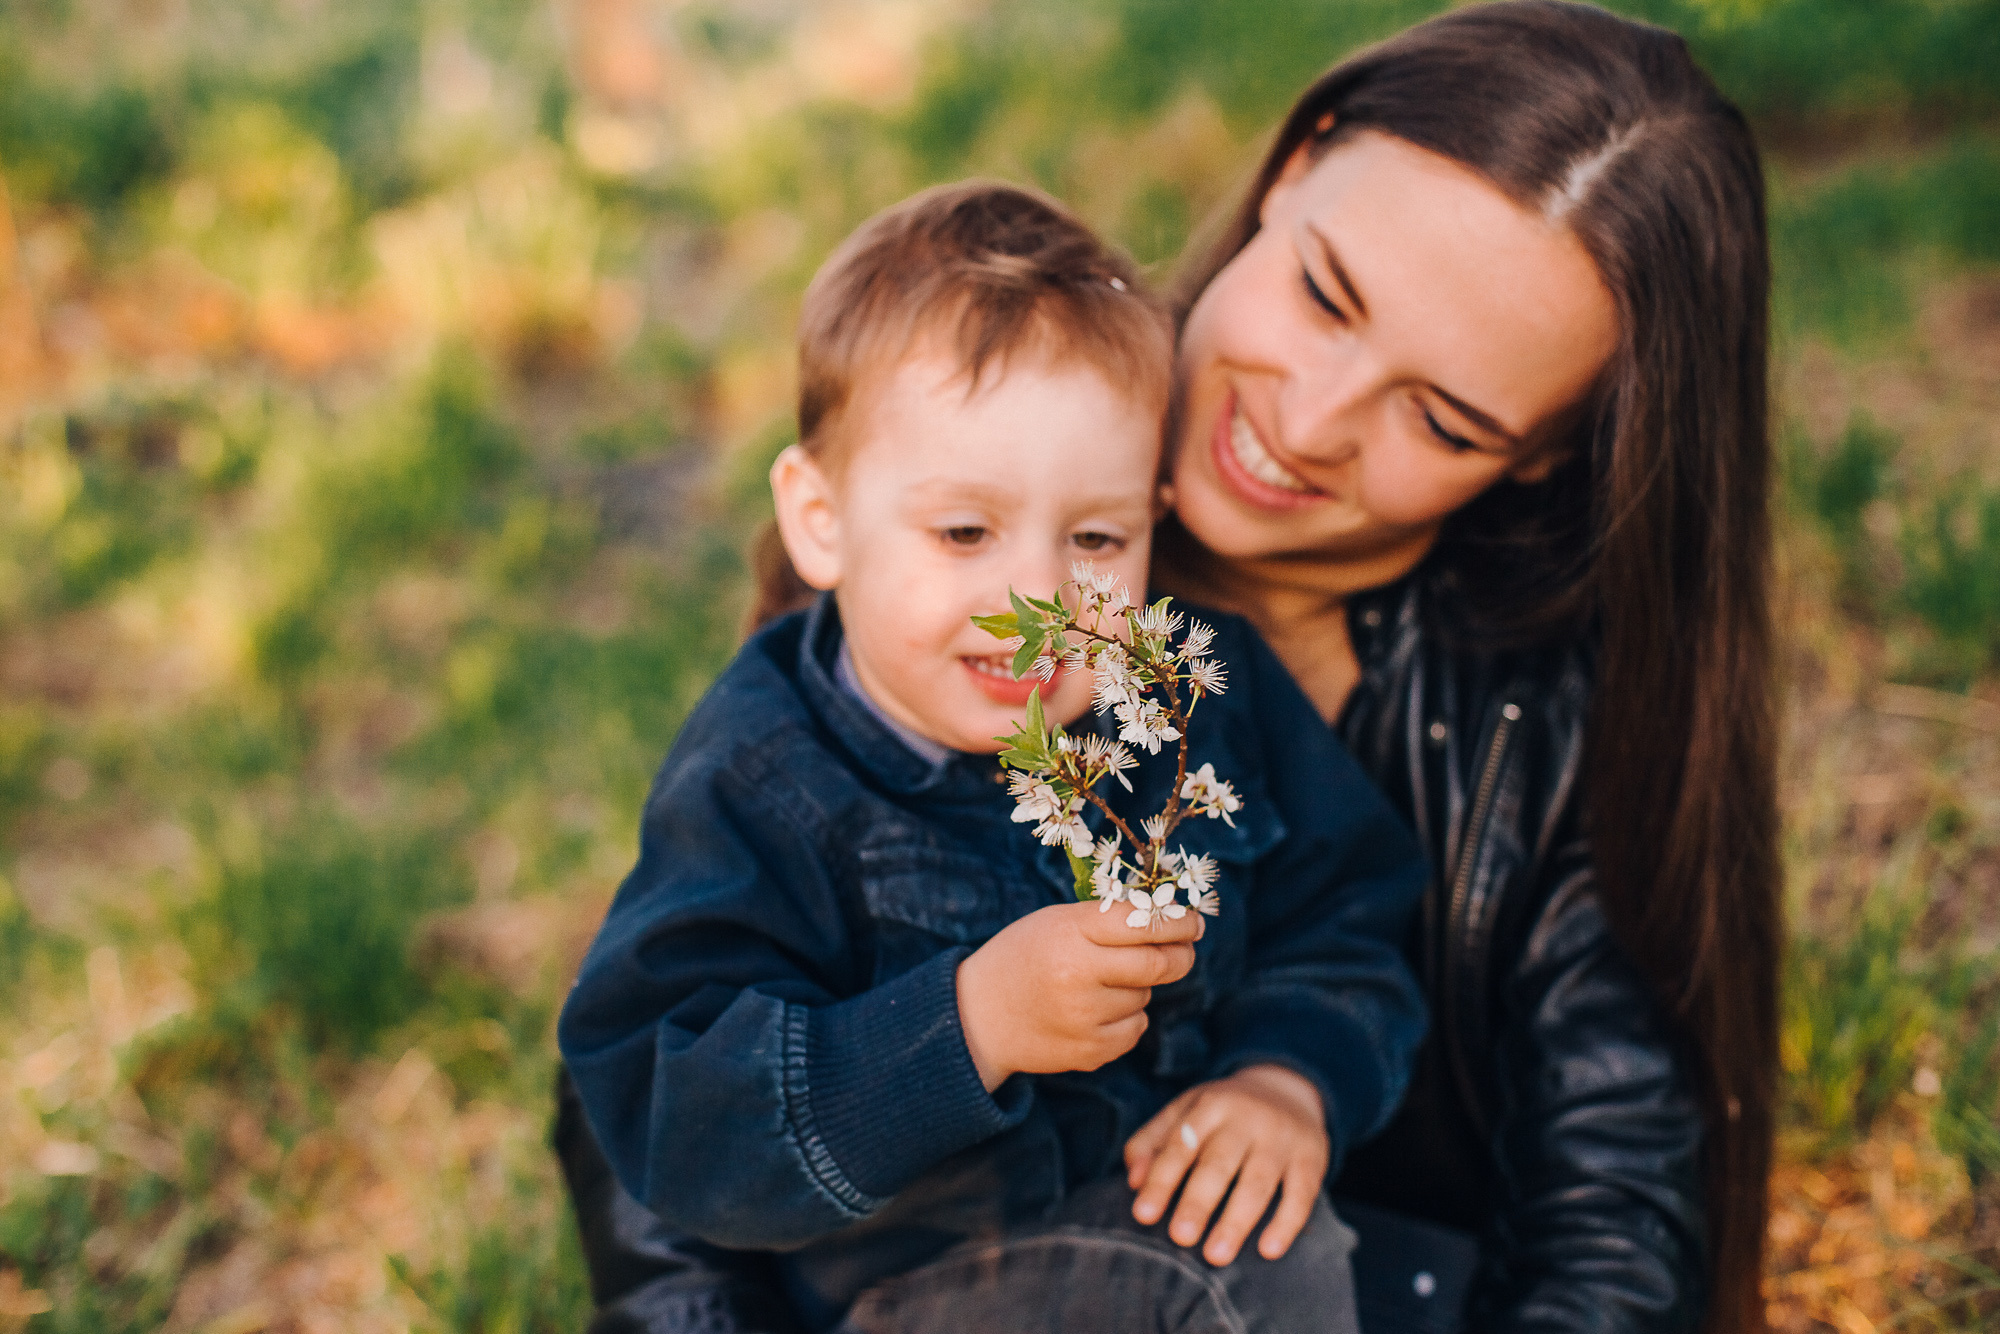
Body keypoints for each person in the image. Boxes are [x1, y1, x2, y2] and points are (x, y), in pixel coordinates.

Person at [556, 4, 1781, 1331]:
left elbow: (1611, 1209)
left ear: (1545, 450)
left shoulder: (1522, 715)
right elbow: (656, 1091)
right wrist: (957, 1027)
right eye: (1325, 291)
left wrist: (1289, 1076)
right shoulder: (982, 413)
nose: (1307, 423)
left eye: (1439, 414)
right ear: (1295, 166)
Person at [555, 179, 1431, 1334]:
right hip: (913, 1291)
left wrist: (1288, 1074)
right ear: (821, 519)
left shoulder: (1183, 703)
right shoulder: (765, 778)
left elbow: (1348, 910)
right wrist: (964, 1023)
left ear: (1153, 522)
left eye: (1095, 537)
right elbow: (672, 1114)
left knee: (1346, 1259)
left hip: (1157, 1214)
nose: (1036, 598)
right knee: (1254, 1278)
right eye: (964, 530)